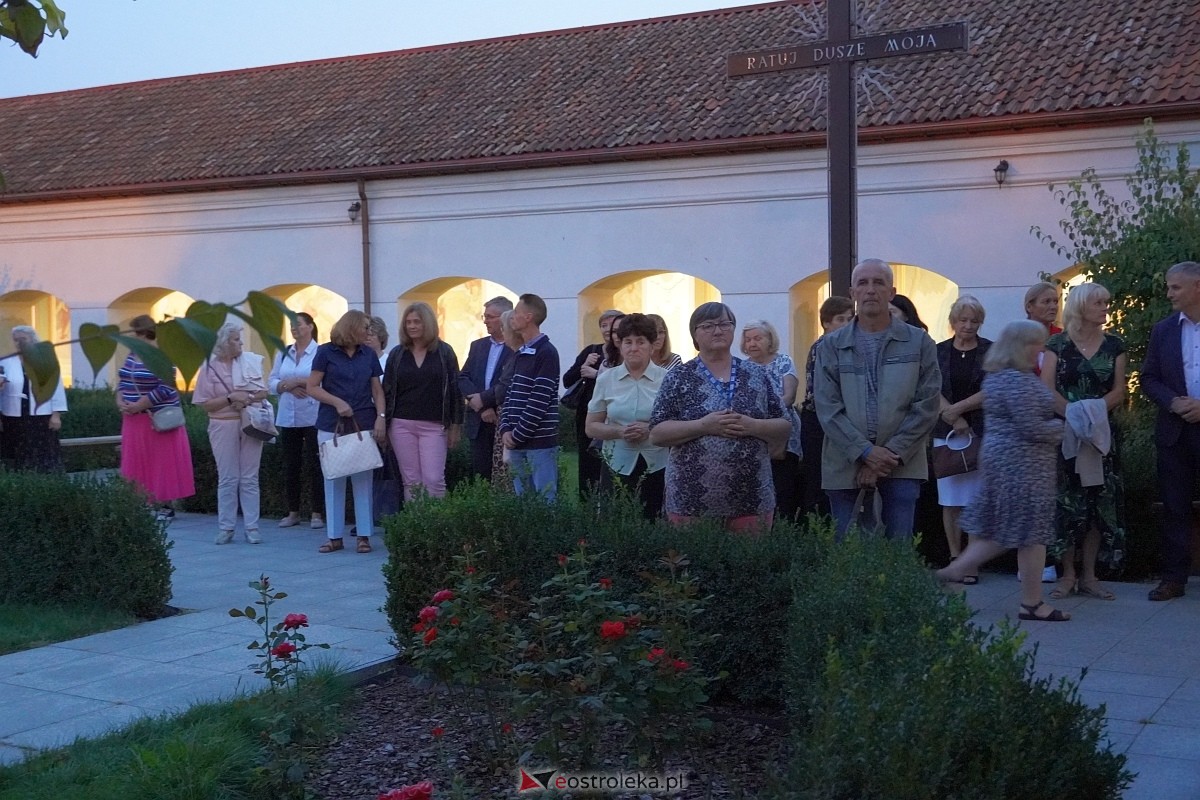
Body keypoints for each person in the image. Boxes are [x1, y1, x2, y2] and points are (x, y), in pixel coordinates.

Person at [936, 320, 1070, 621]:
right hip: (1022, 465)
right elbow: (1032, 427)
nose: (1041, 349)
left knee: (1016, 530)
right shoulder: (1018, 381)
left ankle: (1028, 600)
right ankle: (964, 572)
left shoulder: (998, 376)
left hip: (1006, 461)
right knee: (1024, 531)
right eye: (1036, 343)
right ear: (1021, 346)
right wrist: (1064, 427)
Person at [814, 259, 941, 539]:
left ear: (892, 292)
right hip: (845, 465)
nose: (870, 289)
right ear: (852, 293)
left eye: (878, 283)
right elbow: (827, 408)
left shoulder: (919, 342)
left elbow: (927, 405)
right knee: (849, 554)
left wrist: (889, 454)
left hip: (902, 465)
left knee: (897, 553)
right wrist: (865, 452)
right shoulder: (831, 346)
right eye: (863, 283)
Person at [649, 302, 790, 532]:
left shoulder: (756, 373)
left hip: (751, 496)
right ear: (694, 334)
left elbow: (784, 425)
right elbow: (656, 433)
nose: (717, 331)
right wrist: (703, 426)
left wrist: (752, 426)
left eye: (724, 324)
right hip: (690, 499)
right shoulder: (679, 376)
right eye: (708, 326)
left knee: (750, 556)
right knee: (694, 555)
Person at [1041, 281, 1127, 601]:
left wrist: (1092, 417)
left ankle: (1090, 576)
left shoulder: (1115, 345)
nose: (1105, 308)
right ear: (1080, 307)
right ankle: (1067, 574)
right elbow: (1046, 388)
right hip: (1066, 434)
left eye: (1106, 302)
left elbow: (1119, 391)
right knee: (1067, 504)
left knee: (1096, 504)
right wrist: (1075, 417)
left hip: (1102, 436)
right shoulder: (1057, 344)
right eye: (1098, 303)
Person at [1141, 261, 1200, 601]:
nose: (1168, 293)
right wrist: (1172, 402)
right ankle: (1173, 578)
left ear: (1197, 287)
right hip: (1174, 433)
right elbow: (1149, 378)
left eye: (1175, 287)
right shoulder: (1163, 330)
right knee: (1175, 507)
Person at [307, 309, 386, 554]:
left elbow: (377, 390)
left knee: (363, 481)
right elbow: (312, 387)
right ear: (352, 327)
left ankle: (364, 536)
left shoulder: (368, 354)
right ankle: (334, 537)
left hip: (363, 421)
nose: (368, 332)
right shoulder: (325, 352)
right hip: (331, 424)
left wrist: (381, 417)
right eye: (365, 327)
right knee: (333, 480)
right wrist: (337, 402)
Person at [585, 313, 668, 519]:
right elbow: (591, 427)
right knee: (614, 523)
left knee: (655, 523)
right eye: (628, 342)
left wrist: (650, 429)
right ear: (620, 345)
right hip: (616, 464)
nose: (634, 348)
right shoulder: (606, 380)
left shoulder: (668, 379)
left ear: (652, 346)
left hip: (658, 464)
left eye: (641, 342)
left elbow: (677, 422)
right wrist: (620, 431)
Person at [192, 322, 269, 544]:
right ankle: (226, 527)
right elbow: (205, 404)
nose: (241, 343)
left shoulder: (249, 362)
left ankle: (252, 527)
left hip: (251, 423)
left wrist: (247, 398)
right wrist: (230, 398)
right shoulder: (209, 369)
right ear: (224, 343)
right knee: (228, 478)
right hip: (222, 425)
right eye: (236, 339)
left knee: (250, 477)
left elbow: (263, 392)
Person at [115, 315, 195, 519]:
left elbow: (167, 386)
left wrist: (141, 404)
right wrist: (120, 399)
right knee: (136, 460)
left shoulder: (162, 355)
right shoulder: (133, 354)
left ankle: (164, 505)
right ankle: (141, 502)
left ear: (144, 333)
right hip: (133, 419)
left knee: (160, 461)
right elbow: (123, 379)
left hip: (156, 418)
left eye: (135, 333)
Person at [934, 296, 992, 580]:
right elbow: (929, 387)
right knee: (951, 499)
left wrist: (959, 410)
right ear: (953, 321)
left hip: (980, 432)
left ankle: (971, 560)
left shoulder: (991, 350)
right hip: (945, 433)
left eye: (974, 321)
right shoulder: (938, 351)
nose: (968, 326)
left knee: (976, 499)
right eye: (963, 320)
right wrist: (953, 418)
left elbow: (993, 388)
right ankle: (955, 556)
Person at [382, 301, 463, 501]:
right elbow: (387, 391)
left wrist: (456, 425)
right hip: (401, 425)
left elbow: (455, 390)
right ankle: (415, 520)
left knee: (434, 479)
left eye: (416, 321)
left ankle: (435, 520)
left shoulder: (444, 352)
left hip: (434, 425)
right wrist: (383, 422)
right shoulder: (397, 354)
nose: (412, 326)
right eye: (408, 322)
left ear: (427, 323)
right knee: (411, 480)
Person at [741, 319, 803, 521]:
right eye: (748, 339)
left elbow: (789, 397)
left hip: (783, 436)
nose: (752, 343)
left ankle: (783, 531)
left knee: (783, 492)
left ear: (770, 340)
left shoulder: (783, 362)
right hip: (754, 437)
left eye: (757, 338)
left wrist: (764, 414)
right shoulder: (742, 368)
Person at [500, 293, 561, 500]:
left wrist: (517, 435)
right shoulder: (522, 352)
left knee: (545, 499)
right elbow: (511, 394)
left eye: (516, 312)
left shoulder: (546, 352)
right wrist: (505, 428)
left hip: (539, 443)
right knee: (522, 500)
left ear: (528, 317)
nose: (512, 317)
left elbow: (539, 400)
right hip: (517, 442)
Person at [799, 296, 854, 517]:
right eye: (841, 319)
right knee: (818, 479)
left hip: (835, 417)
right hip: (818, 419)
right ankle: (817, 526)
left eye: (850, 319)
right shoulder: (824, 346)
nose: (847, 324)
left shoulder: (844, 346)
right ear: (826, 323)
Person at [269, 312, 325, 530]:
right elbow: (272, 382)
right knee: (291, 465)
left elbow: (323, 380)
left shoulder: (320, 352)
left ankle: (317, 513)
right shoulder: (284, 353)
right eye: (292, 325)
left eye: (298, 324)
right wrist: (286, 386)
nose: (294, 328)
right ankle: (292, 512)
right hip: (288, 417)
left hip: (313, 415)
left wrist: (299, 381)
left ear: (310, 326)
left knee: (315, 464)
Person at [563, 309, 624, 499]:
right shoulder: (591, 351)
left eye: (611, 326)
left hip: (612, 416)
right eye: (603, 325)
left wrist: (596, 374)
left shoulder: (625, 353)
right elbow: (567, 380)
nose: (607, 330)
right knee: (587, 461)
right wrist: (584, 367)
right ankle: (587, 502)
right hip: (587, 414)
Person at [458, 296, 514, 482]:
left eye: (490, 317)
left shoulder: (515, 347)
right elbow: (463, 377)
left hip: (504, 418)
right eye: (485, 316)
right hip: (479, 420)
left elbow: (509, 382)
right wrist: (482, 406)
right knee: (480, 475)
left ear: (504, 318)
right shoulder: (478, 346)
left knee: (506, 475)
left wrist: (485, 401)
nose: (485, 321)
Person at [0, 325, 67, 472]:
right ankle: (20, 478)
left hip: (41, 414)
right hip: (13, 415)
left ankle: (44, 478)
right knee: (17, 451)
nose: (19, 342)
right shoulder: (6, 361)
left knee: (41, 451)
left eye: (23, 339)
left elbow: (56, 387)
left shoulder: (45, 360)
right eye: (16, 340)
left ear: (32, 339)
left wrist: (56, 415)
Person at [366, 315, 401, 522]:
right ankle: (368, 516)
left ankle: (388, 512)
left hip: (385, 421)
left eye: (372, 334)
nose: (368, 338)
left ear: (381, 337)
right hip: (365, 420)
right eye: (365, 334)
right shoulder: (361, 362)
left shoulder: (388, 361)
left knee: (389, 470)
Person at [490, 308, 524, 487]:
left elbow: (504, 389)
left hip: (514, 421)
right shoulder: (516, 355)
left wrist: (486, 398)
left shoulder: (519, 356)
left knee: (512, 474)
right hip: (506, 420)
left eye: (504, 328)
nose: (502, 333)